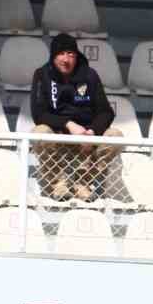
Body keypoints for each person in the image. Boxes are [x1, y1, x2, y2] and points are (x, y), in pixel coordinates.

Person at [30, 32, 122, 202]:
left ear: (76, 55)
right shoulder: (42, 75)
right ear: (53, 56)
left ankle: (83, 183)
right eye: (61, 54)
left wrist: (92, 132)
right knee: (39, 131)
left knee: (115, 136)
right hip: (58, 135)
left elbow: (106, 111)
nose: (66, 59)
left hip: (86, 140)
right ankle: (59, 185)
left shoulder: (90, 75)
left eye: (70, 54)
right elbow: (38, 114)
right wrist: (68, 125)